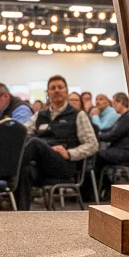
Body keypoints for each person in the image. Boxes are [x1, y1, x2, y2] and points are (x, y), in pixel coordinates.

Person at [17, 75, 99, 210]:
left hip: (63, 165)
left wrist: (70, 153)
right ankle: (20, 215)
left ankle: (4, 174)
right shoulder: (40, 115)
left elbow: (92, 144)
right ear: (48, 93)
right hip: (41, 165)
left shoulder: (78, 115)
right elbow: (21, 133)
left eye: (60, 87)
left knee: (34, 142)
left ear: (66, 91)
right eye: (53, 88)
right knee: (26, 171)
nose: (57, 90)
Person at [94, 92, 129, 197]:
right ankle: (106, 186)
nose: (113, 106)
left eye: (114, 103)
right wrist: (98, 133)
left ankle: (104, 187)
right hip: (123, 151)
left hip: (125, 153)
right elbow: (110, 130)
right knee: (99, 156)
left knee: (97, 156)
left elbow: (112, 135)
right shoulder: (124, 117)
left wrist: (97, 135)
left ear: (120, 102)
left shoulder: (127, 117)